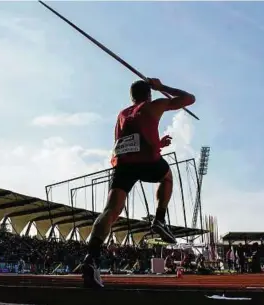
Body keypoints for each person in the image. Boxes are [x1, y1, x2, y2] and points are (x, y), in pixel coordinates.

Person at [82, 78, 195, 288]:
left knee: (111, 210)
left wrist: (158, 144)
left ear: (131, 97)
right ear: (149, 95)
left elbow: (133, 137)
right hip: (145, 160)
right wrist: (162, 87)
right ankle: (160, 218)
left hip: (123, 163)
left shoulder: (123, 114)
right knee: (167, 176)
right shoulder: (154, 105)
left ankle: (91, 258)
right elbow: (189, 99)